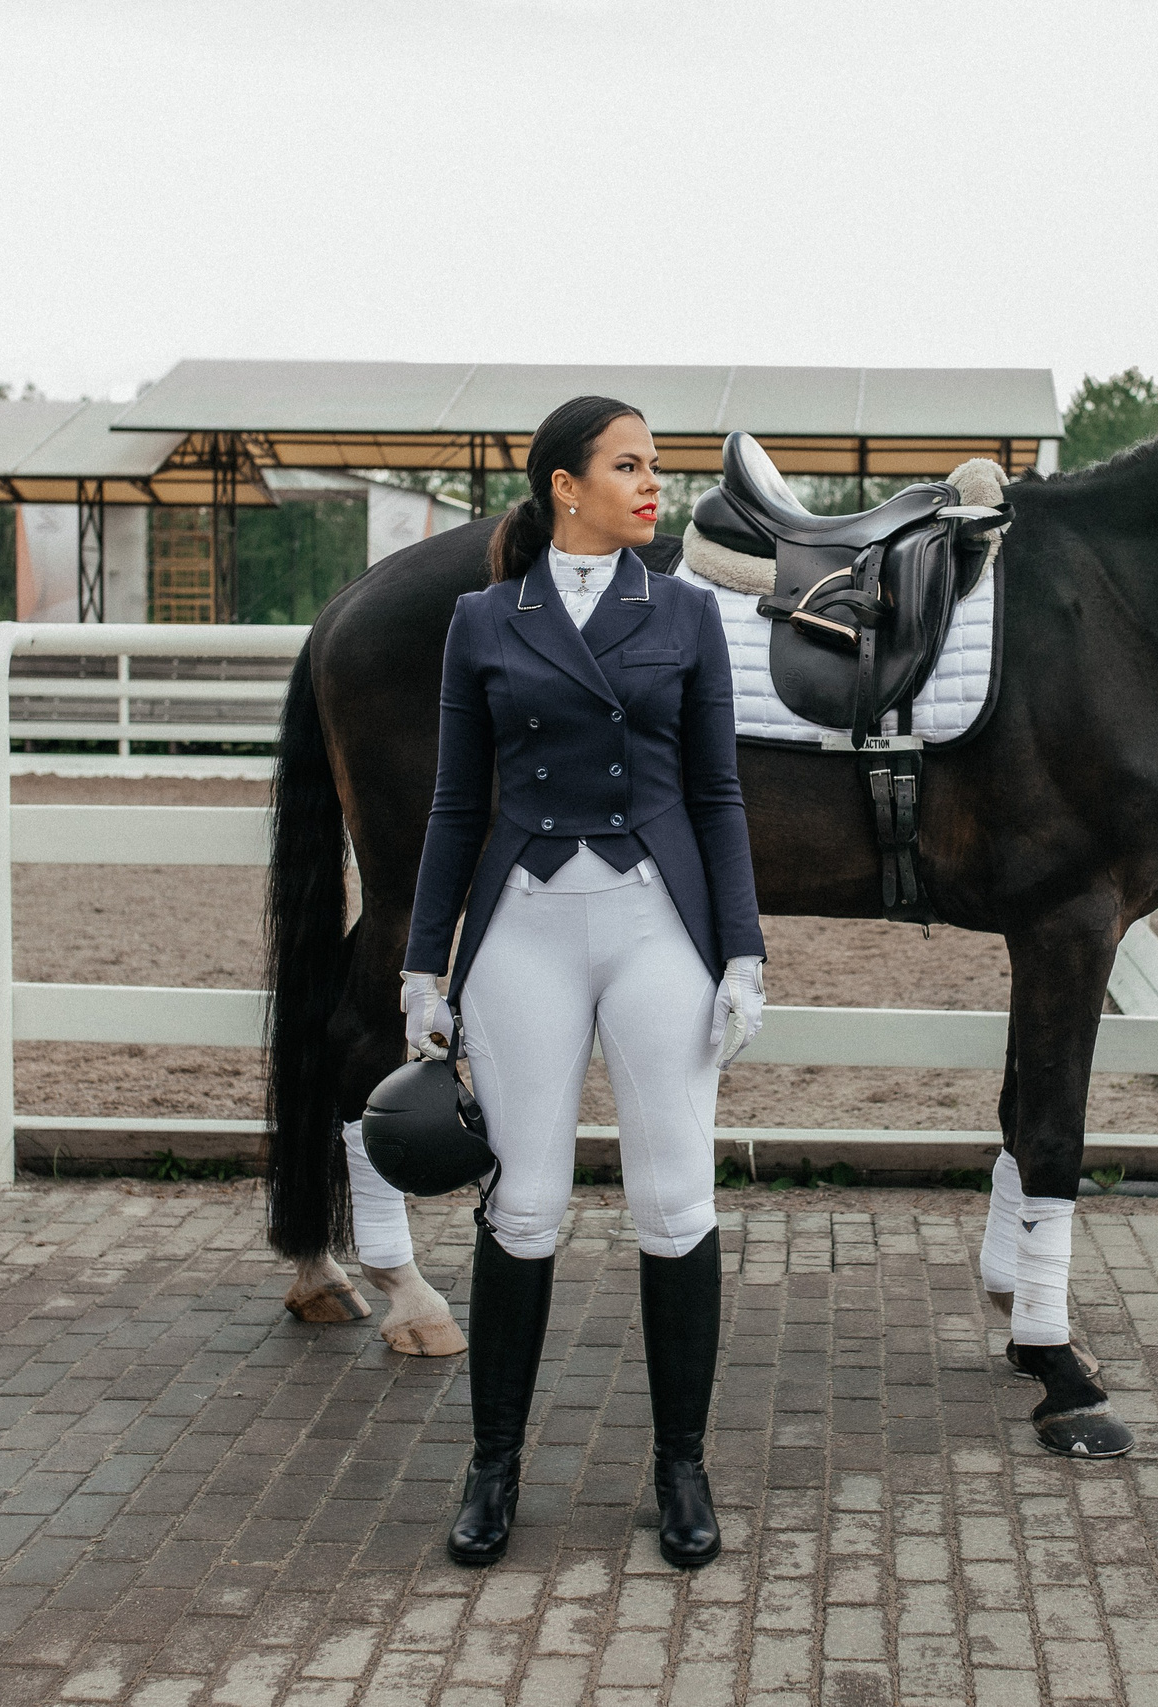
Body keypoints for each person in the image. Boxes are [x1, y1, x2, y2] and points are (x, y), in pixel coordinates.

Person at [388, 394, 765, 1570]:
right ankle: (493, 1466)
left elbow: (716, 796)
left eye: (656, 467)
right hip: (526, 932)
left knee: (673, 1202)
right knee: (527, 1206)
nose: (655, 486)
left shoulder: (691, 615)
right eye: (629, 466)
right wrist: (420, 955)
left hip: (659, 926)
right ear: (565, 485)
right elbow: (456, 800)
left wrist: (743, 946)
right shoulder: (482, 621)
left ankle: (681, 1467)